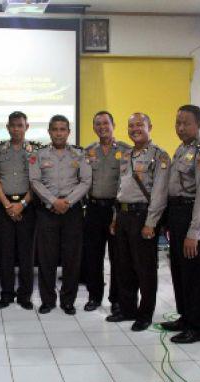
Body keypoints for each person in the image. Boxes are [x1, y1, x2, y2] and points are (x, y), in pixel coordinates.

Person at [159, 105, 200, 343]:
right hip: (178, 216)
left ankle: (197, 327)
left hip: (192, 217)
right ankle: (185, 317)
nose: (181, 128)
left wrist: (194, 233)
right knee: (179, 271)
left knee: (194, 275)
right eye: (178, 123)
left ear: (198, 125)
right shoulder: (183, 149)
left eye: (186, 123)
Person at [107, 112, 170, 332]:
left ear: (149, 127)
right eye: (131, 126)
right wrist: (115, 218)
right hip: (123, 215)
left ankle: (145, 314)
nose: (135, 129)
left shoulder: (159, 156)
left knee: (145, 269)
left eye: (139, 125)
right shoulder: (126, 155)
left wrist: (151, 223)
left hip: (143, 216)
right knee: (124, 267)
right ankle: (128, 310)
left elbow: (160, 193)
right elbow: (121, 188)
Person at [29, 115, 91, 315]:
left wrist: (67, 202)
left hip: (72, 211)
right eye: (55, 129)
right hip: (47, 211)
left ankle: (68, 301)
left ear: (68, 132)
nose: (58, 133)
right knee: (46, 258)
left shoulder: (79, 154)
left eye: (62, 129)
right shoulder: (38, 154)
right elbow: (35, 181)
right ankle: (47, 300)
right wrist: (53, 201)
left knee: (71, 259)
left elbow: (86, 181)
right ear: (49, 132)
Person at [81, 111, 130, 314]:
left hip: (115, 209)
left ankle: (116, 299)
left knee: (118, 257)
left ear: (113, 125)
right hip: (93, 209)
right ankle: (94, 296)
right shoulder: (88, 152)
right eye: (98, 124)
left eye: (105, 123)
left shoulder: (126, 151)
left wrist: (117, 212)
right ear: (94, 127)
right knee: (93, 256)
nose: (102, 127)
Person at [0, 111, 39, 310]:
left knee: (27, 254)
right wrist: (8, 205)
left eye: (20, 125)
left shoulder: (36, 150)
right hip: (5, 206)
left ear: (26, 127)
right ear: (7, 127)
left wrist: (22, 205)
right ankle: (7, 294)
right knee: (6, 253)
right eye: (13, 125)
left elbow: (37, 182)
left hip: (28, 205)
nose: (16, 129)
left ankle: (25, 295)